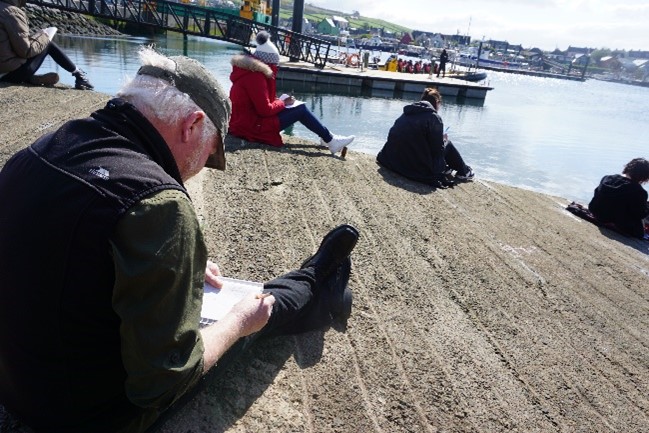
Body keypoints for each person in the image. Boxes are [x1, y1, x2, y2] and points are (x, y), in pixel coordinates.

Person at [0, 46, 359, 432]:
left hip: (17, 389)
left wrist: (158, 262)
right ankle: (317, 287)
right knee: (252, 313)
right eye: (209, 153)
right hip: (89, 415)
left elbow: (69, 253)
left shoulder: (37, 151)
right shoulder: (156, 203)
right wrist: (238, 323)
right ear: (191, 125)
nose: (200, 168)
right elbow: (166, 381)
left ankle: (312, 283)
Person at [228, 31, 354, 154]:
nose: (275, 69)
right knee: (301, 110)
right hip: (252, 127)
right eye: (274, 66)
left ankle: (327, 137)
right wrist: (283, 102)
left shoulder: (248, 72)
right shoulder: (255, 77)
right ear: (267, 64)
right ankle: (331, 141)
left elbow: (259, 103)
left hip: (244, 122)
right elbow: (265, 110)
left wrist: (280, 101)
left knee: (298, 107)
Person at [376, 87, 474, 187]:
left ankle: (456, 170)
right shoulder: (433, 117)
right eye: (440, 104)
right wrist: (443, 139)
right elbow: (437, 150)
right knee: (448, 144)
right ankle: (464, 172)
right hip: (416, 168)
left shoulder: (407, 112)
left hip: (391, 160)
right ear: (437, 102)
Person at [0, 0, 93, 89]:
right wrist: (44, 36)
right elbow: (25, 51)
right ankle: (79, 75)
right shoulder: (12, 13)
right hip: (8, 74)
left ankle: (30, 78)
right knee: (48, 44)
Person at [588, 157, 649, 238]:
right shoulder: (639, 191)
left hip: (596, 212)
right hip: (615, 221)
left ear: (628, 167)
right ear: (644, 176)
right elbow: (640, 214)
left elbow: (596, 194)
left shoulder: (607, 178)